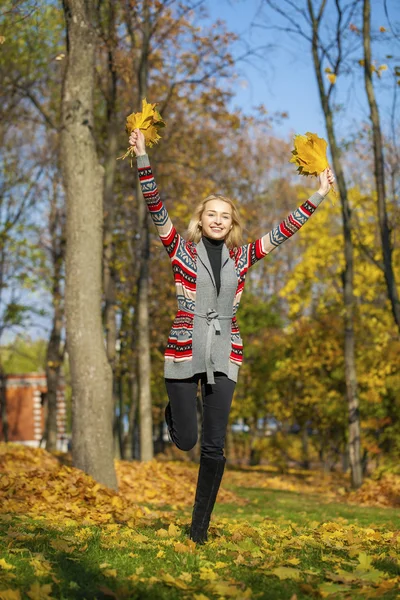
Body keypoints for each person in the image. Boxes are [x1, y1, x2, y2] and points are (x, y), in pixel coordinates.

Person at [129, 128, 334, 543]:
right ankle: (174, 412)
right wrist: (142, 156)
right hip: (185, 348)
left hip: (226, 351)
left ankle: (198, 531)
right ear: (200, 221)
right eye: (211, 214)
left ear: (231, 222)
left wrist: (318, 196)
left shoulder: (243, 258)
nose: (218, 220)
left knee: (214, 446)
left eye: (225, 215)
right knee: (187, 440)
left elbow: (282, 232)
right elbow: (155, 205)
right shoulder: (179, 249)